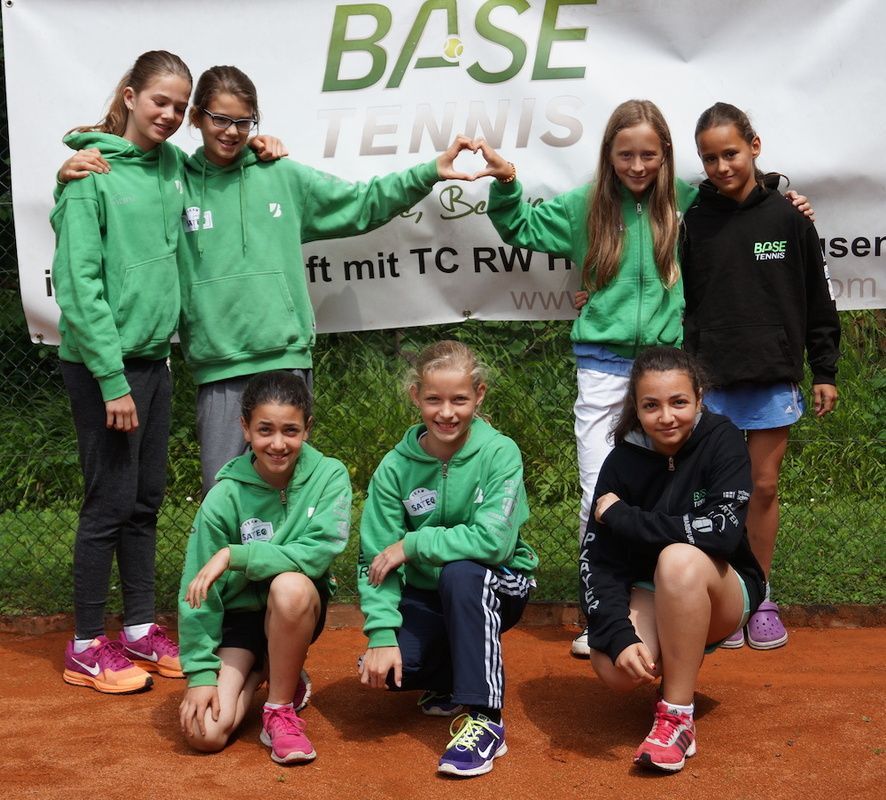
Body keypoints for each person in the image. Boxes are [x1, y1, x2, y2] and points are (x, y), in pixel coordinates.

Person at [477, 100, 812, 658]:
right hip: (601, 368)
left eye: (649, 155)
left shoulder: (683, 200)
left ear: (665, 156)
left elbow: (738, 199)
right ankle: (602, 616)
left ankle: (669, 603)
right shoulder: (585, 205)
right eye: (626, 154)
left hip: (663, 368)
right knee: (598, 490)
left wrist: (783, 194)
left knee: (663, 493)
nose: (637, 166)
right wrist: (508, 180)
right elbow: (520, 226)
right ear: (608, 154)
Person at [60, 65, 480, 497]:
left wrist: (429, 171)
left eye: (243, 122)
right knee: (224, 496)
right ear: (197, 118)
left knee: (289, 494)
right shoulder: (174, 179)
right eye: (220, 119)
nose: (231, 132)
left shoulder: (280, 173)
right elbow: (126, 184)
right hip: (219, 367)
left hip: (285, 359)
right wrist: (69, 173)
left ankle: (295, 549)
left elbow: (361, 203)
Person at [53, 50, 194, 694]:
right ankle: (85, 645)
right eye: (160, 100)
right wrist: (112, 380)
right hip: (103, 369)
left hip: (154, 362)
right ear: (132, 96)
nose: (170, 114)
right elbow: (78, 286)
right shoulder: (91, 175)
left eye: (180, 106)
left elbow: (226, 163)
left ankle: (138, 628)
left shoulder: (173, 166)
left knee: (143, 502)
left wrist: (259, 143)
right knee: (107, 503)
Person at [681, 102, 840, 649]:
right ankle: (726, 598)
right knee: (713, 494)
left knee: (763, 487)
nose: (722, 166)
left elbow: (818, 297)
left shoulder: (790, 218)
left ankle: (761, 594)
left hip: (773, 375)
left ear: (754, 146)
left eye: (730, 152)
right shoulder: (692, 221)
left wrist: (825, 369)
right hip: (711, 380)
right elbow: (676, 296)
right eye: (709, 158)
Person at [579, 346, 765, 773]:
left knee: (678, 559)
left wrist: (626, 518)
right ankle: (673, 656)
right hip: (651, 590)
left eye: (678, 402)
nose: (666, 417)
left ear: (699, 398)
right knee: (615, 668)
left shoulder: (723, 441)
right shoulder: (621, 461)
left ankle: (677, 716)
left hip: (720, 588)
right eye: (651, 406)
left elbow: (721, 533)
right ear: (636, 407)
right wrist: (618, 634)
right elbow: (598, 561)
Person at [357, 340, 537, 777]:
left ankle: (485, 718)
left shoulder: (500, 452)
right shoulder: (395, 467)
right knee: (392, 668)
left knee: (462, 572)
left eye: (459, 399)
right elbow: (375, 559)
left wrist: (413, 544)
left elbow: (494, 542)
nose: (447, 412)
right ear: (415, 396)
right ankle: (449, 679)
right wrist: (380, 633)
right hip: (427, 593)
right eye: (434, 399)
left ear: (479, 394)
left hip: (499, 582)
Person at [178, 370, 351, 764]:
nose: (277, 443)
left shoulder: (329, 477)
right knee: (205, 734)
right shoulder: (224, 495)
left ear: (307, 428)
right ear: (245, 428)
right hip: (239, 621)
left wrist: (236, 555)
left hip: (295, 608)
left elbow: (316, 553)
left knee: (289, 585)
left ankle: (279, 711)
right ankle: (262, 668)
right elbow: (197, 588)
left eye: (290, 430)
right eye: (265, 430)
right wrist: (201, 674)